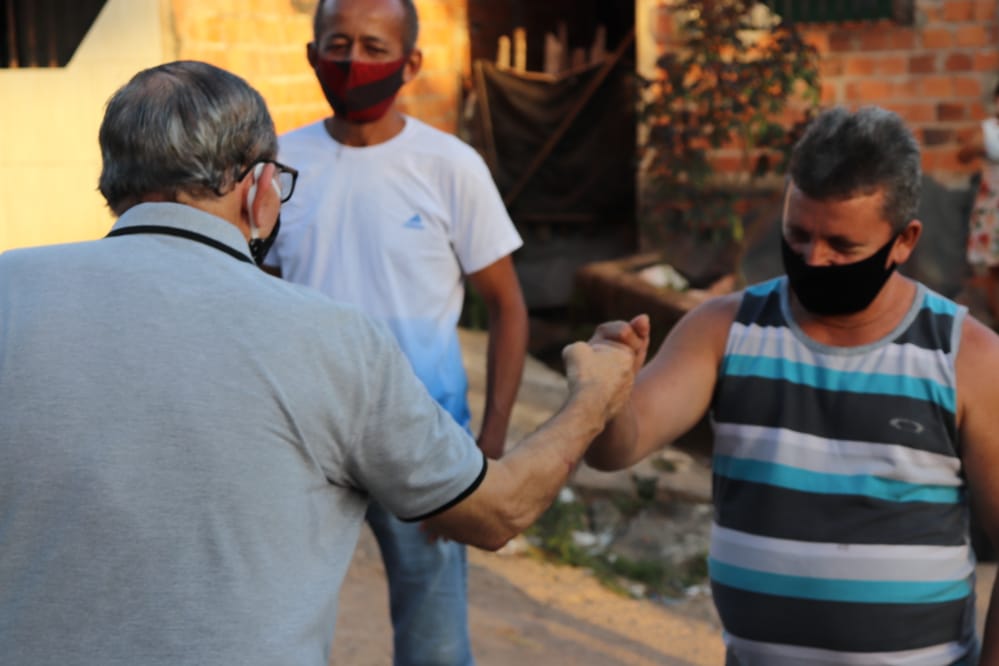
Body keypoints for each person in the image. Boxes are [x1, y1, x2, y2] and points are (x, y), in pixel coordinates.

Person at [0, 60, 637, 666]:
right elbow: (498, 513)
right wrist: (593, 396)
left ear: (113, 181)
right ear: (260, 190)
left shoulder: (10, 292)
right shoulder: (334, 337)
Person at [588, 106, 999, 665]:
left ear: (904, 241)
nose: (814, 259)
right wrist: (605, 389)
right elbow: (618, 447)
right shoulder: (723, 330)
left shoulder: (966, 357)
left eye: (842, 247)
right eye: (797, 235)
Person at [262, 0, 528, 663]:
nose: (355, 62)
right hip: (304, 438)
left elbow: (507, 305)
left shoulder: (449, 166)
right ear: (312, 54)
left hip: (421, 436)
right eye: (339, 44)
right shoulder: (277, 167)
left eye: (376, 48)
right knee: (276, 631)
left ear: (410, 62)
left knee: (434, 640)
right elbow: (250, 297)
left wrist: (489, 441)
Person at [959, 81, 999, 323]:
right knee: (995, 270)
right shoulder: (989, 132)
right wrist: (978, 145)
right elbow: (962, 155)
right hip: (994, 210)